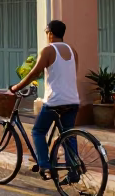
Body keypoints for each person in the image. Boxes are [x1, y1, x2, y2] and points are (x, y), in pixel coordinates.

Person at [11, 20, 80, 181]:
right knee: (68, 134)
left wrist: (16, 87)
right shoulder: (73, 51)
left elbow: (35, 73)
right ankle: (73, 171)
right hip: (73, 100)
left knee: (38, 131)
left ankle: (44, 166)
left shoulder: (48, 50)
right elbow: (70, 74)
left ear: (50, 33)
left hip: (55, 101)